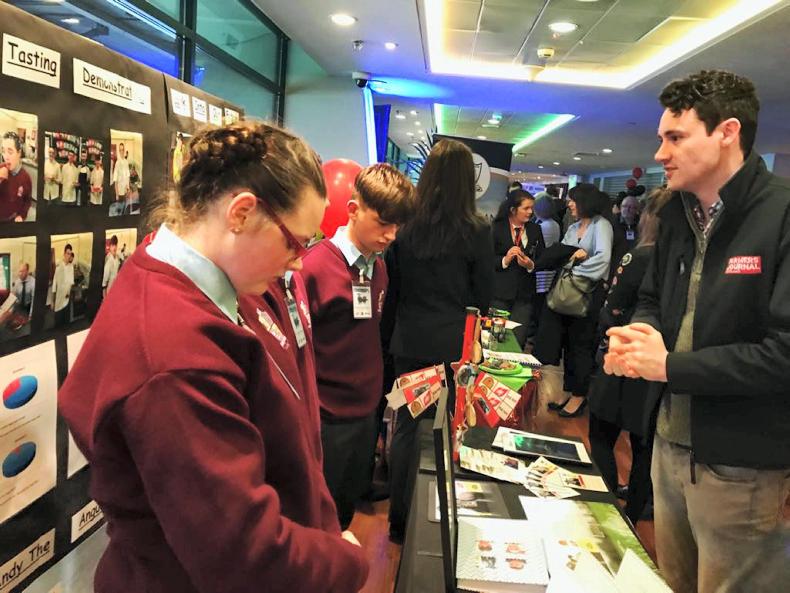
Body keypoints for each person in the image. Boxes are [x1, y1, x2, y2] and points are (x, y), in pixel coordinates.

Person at [58, 121, 368, 593]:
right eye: (295, 242)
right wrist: (347, 561)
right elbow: (243, 554)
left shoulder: (194, 282)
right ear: (241, 213)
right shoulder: (176, 359)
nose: (300, 261)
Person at [604, 69, 790, 593]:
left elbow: (784, 355)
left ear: (727, 132)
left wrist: (669, 366)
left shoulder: (781, 215)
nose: (660, 152)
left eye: (675, 137)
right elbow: (650, 300)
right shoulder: (679, 213)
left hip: (743, 467)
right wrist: (639, 335)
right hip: (667, 445)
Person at [382, 138, 494, 542]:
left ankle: (399, 519)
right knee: (445, 429)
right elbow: (484, 295)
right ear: (469, 181)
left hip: (408, 340)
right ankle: (435, 516)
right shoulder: (477, 230)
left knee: (406, 428)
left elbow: (393, 288)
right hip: (452, 347)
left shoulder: (405, 226)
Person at [302, 163, 414, 530]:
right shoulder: (313, 268)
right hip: (326, 415)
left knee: (345, 509)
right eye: (383, 223)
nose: (391, 236)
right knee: (320, 515)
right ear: (353, 209)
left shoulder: (377, 269)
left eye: (397, 227)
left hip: (365, 411)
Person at [587, 188, 670, 524]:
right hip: (661, 367)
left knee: (601, 434)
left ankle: (604, 508)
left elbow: (612, 308)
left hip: (625, 356)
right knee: (643, 447)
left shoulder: (639, 257)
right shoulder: (684, 263)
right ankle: (633, 516)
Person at [535, 183, 612, 418]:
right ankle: (569, 391)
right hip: (567, 295)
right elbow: (565, 254)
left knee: (581, 346)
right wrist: (572, 261)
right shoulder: (575, 226)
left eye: (573, 200)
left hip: (585, 296)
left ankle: (579, 395)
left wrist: (574, 268)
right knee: (567, 345)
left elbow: (602, 260)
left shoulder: (602, 225)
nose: (569, 204)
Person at [490, 189, 544, 349]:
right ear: (513, 209)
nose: (530, 212)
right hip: (499, 292)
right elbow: (485, 259)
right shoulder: (496, 228)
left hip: (524, 294)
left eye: (531, 208)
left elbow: (542, 258)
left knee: (516, 341)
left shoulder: (535, 229)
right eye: (526, 208)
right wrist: (504, 260)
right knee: (495, 339)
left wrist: (530, 265)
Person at [531, 192, 561, 343]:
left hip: (541, 271)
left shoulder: (542, 226)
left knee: (537, 304)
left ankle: (535, 335)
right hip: (550, 270)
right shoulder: (554, 224)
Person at [0, 131, 33, 221]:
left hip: (12, 220)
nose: (5, 157)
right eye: (3, 151)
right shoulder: (0, 169)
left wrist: (21, 215)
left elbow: (27, 201)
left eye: (10, 152)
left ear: (19, 153)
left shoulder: (26, 178)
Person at [610, 195, 640, 270]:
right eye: (624, 206)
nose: (627, 209)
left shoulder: (642, 224)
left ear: (637, 210)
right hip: (614, 265)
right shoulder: (611, 222)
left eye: (631, 207)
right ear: (620, 208)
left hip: (634, 265)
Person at [52, 243, 74, 326]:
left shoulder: (71, 267)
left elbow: (71, 282)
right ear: (64, 254)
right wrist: (52, 301)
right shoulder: (58, 267)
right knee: (58, 322)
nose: (69, 256)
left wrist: (68, 292)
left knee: (66, 322)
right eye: (67, 253)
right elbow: (54, 284)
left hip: (67, 299)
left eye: (70, 254)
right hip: (59, 299)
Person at [111, 142, 130, 211]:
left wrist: (128, 188)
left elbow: (128, 176)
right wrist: (116, 194)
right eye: (120, 150)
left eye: (122, 150)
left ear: (124, 150)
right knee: (119, 210)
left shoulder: (126, 162)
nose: (121, 151)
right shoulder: (117, 163)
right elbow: (115, 179)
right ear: (119, 151)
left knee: (125, 210)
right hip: (119, 192)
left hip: (125, 191)